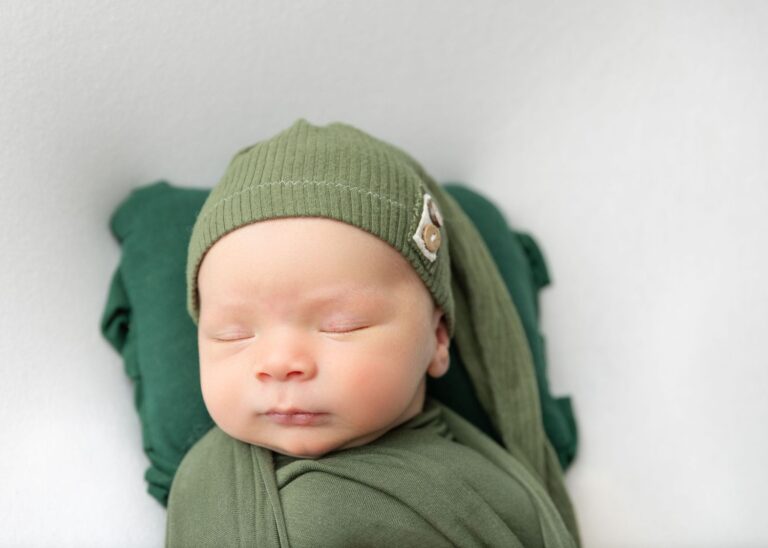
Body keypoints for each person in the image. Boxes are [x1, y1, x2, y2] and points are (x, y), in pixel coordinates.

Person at [165, 118, 581, 547]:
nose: (279, 364)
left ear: (438, 339)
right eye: (232, 334)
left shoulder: (483, 499)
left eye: (341, 325)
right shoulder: (202, 482)